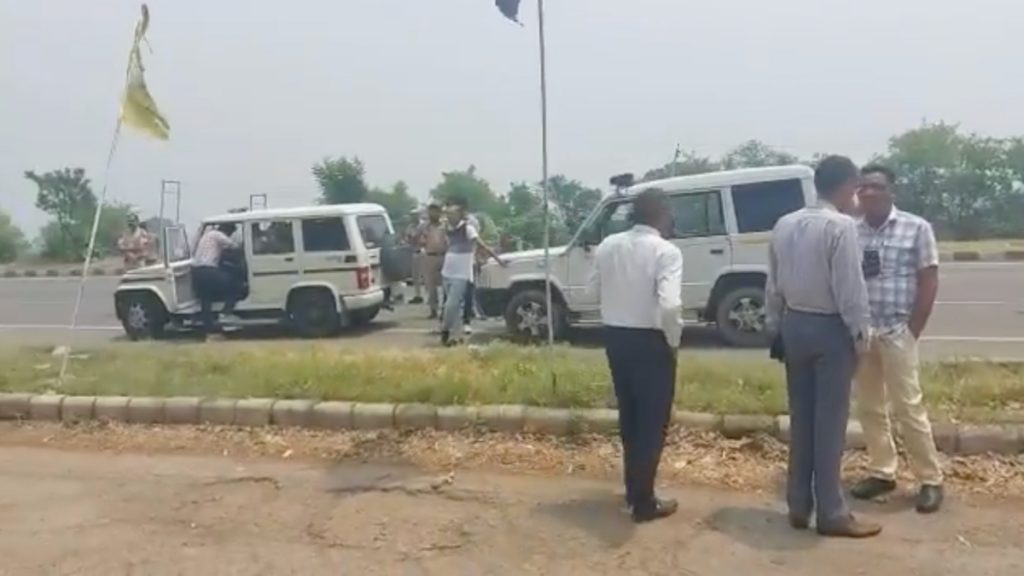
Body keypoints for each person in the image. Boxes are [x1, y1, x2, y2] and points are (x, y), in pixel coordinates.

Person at [765, 155, 881, 538]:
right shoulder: (841, 227)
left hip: (794, 324)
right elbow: (850, 289)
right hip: (829, 328)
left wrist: (774, 325)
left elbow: (773, 283)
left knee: (802, 419)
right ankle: (832, 512)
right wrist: (861, 336)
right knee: (830, 424)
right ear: (847, 187)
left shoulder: (784, 223)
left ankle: (798, 504)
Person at [850, 165, 945, 513]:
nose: (869, 192)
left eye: (876, 186)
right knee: (869, 406)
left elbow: (929, 279)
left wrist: (913, 329)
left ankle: (930, 479)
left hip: (897, 330)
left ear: (891, 191)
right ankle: (882, 471)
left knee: (909, 407)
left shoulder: (916, 228)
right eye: (863, 187)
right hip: (863, 333)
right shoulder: (851, 231)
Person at [588, 189, 682, 523]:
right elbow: (670, 305)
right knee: (652, 421)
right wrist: (673, 340)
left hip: (616, 337)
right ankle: (644, 501)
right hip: (650, 340)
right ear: (662, 214)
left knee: (630, 416)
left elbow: (591, 290)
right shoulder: (666, 251)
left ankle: (634, 488)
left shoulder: (608, 245)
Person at [440, 197, 504, 346]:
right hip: (447, 271)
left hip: (461, 274)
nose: (449, 217)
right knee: (454, 308)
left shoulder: (468, 229)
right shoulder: (447, 229)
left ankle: (445, 330)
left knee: (451, 305)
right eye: (448, 214)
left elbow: (482, 245)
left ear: (460, 215)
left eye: (452, 214)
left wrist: (498, 259)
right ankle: (455, 337)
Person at [192, 223, 241, 336]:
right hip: (208, 270)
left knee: (206, 299)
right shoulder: (218, 235)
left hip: (197, 272)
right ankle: (226, 312)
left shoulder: (207, 235)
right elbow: (234, 246)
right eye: (230, 233)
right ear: (226, 230)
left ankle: (208, 327)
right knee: (235, 285)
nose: (230, 235)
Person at [415, 203, 447, 318]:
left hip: (444, 256)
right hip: (429, 256)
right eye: (431, 211)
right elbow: (416, 238)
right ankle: (433, 309)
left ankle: (445, 309)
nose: (433, 214)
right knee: (430, 285)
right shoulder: (424, 227)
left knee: (446, 284)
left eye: (436, 211)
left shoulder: (445, 226)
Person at [405, 209, 425, 304]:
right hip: (414, 251)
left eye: (415, 215)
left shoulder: (423, 225)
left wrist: (414, 237)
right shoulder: (410, 226)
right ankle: (418, 295)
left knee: (426, 276)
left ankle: (430, 296)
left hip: (423, 251)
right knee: (415, 276)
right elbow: (408, 238)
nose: (413, 217)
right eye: (412, 216)